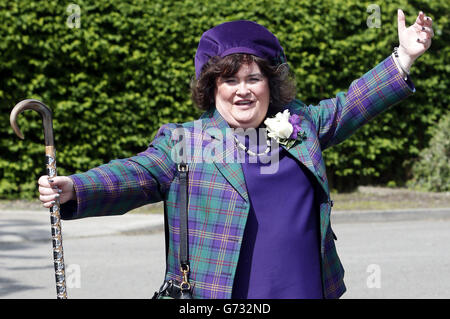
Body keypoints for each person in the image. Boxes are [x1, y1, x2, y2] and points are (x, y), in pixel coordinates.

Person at [38, 10, 434, 299]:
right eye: (229, 80)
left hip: (306, 289)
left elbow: (353, 103)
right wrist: (75, 187)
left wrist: (404, 56)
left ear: (270, 84)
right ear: (212, 88)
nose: (242, 90)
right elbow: (137, 173)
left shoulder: (300, 124)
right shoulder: (188, 141)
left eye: (253, 78)